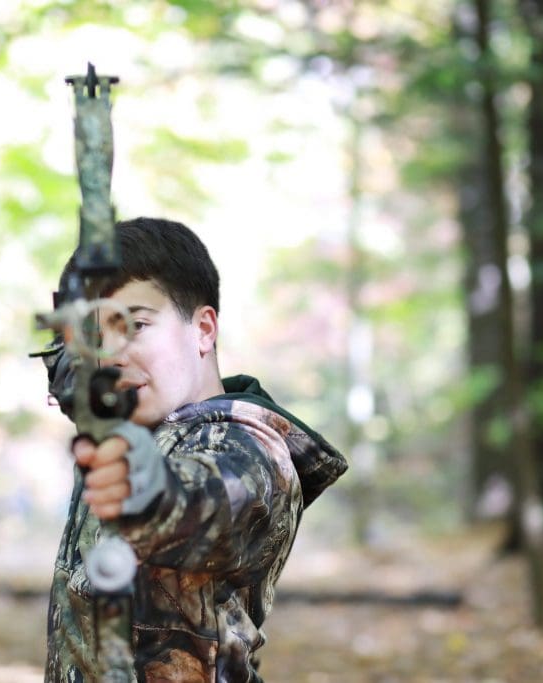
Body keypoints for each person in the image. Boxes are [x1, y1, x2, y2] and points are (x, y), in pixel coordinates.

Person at [37, 217, 347, 682]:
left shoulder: (250, 446)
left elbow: (205, 500)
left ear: (203, 331)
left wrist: (145, 488)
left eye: (137, 325)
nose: (113, 357)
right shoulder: (129, 425)